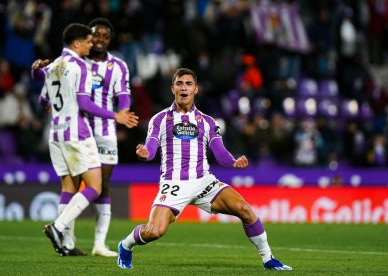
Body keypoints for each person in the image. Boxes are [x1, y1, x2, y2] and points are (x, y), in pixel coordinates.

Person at [116, 68, 292, 270]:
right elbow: (151, 146)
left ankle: (268, 258)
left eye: (188, 84)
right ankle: (126, 245)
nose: (184, 87)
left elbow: (220, 152)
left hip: (203, 182)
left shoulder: (207, 122)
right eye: (180, 83)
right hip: (174, 184)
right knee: (155, 231)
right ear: (173, 88)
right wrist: (145, 152)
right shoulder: (160, 119)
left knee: (245, 209)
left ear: (196, 89)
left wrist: (233, 162)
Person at [32, 18, 138, 257]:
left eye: (102, 37)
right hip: (80, 131)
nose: (95, 43)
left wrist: (35, 71)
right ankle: (59, 228)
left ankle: (70, 243)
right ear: (79, 42)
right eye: (91, 39)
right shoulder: (80, 65)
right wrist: (116, 116)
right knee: (95, 186)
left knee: (73, 186)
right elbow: (83, 102)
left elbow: (43, 98)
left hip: (61, 132)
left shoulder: (58, 64)